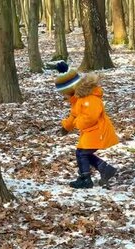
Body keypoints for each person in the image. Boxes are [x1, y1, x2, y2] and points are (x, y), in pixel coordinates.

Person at [55, 61, 119, 189]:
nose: (64, 97)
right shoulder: (78, 100)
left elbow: (91, 116)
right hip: (90, 132)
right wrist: (65, 127)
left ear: (71, 89)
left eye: (65, 93)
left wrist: (78, 123)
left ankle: (86, 179)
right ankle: (105, 169)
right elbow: (73, 115)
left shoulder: (89, 98)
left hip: (97, 131)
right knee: (83, 153)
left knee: (82, 153)